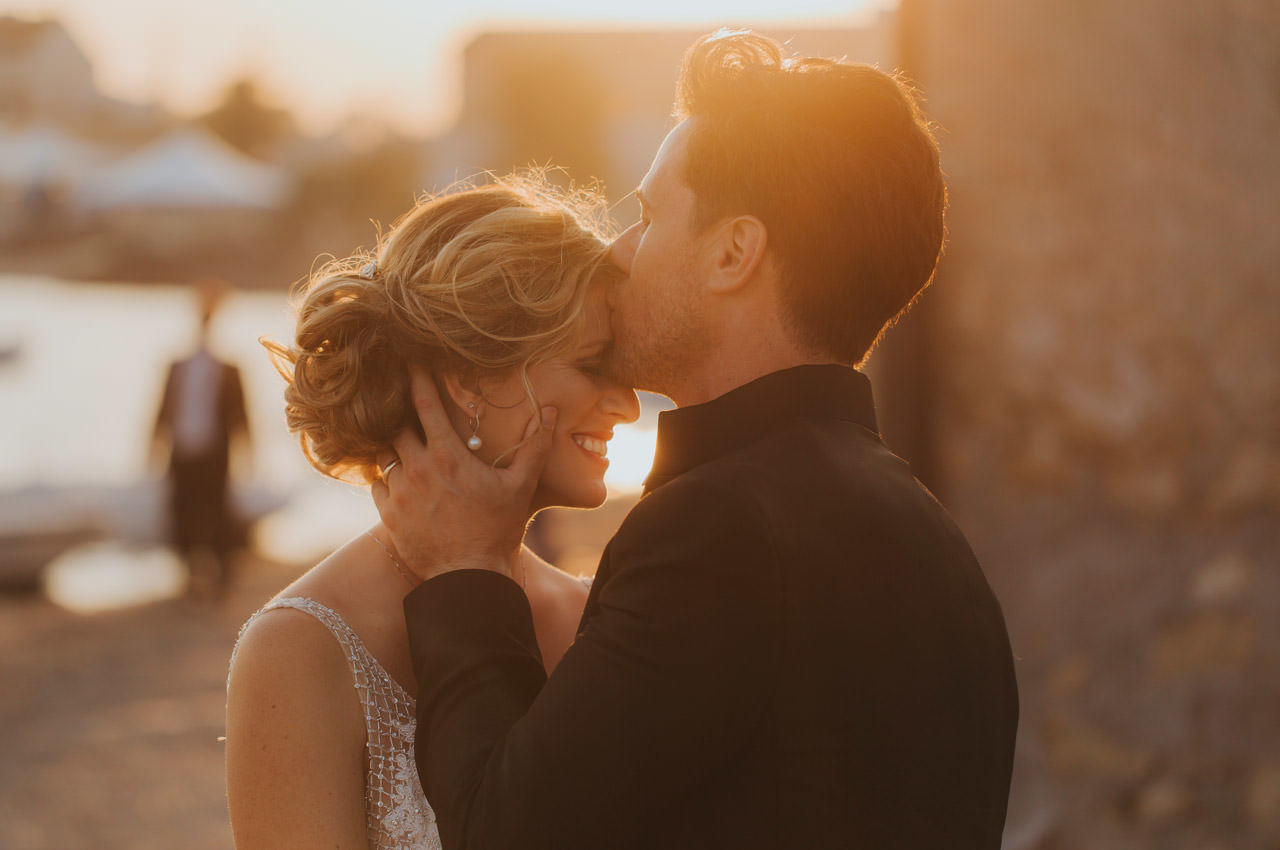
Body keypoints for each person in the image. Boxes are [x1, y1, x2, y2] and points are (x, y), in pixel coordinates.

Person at [372, 30, 1020, 849]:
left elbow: (506, 829)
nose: (618, 251)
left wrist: (465, 567)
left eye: (645, 216)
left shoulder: (717, 530)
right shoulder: (937, 543)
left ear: (733, 254)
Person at [224, 178, 640, 849]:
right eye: (594, 364)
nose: (627, 404)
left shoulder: (601, 614)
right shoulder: (301, 651)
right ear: (471, 378)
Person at [152, 279, 251, 596]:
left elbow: (241, 414)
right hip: (182, 447)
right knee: (181, 507)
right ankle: (187, 572)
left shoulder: (229, 367)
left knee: (218, 507)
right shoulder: (177, 365)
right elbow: (162, 407)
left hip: (214, 449)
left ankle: (221, 574)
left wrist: (249, 448)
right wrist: (153, 443)